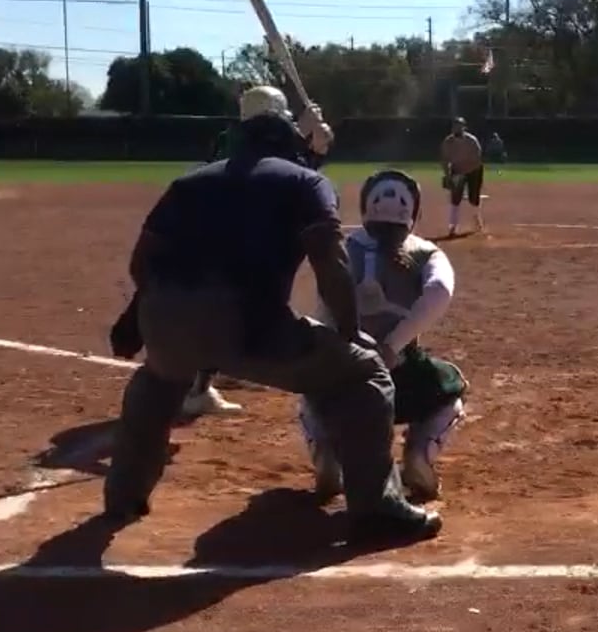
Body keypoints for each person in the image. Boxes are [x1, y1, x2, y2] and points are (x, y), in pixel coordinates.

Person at [101, 96, 440, 541]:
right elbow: (331, 263)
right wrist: (349, 330)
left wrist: (143, 315)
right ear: (292, 145)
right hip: (248, 324)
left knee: (157, 383)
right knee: (365, 373)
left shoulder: (189, 182)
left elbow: (142, 261)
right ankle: (377, 507)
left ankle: (123, 496)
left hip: (166, 316)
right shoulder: (306, 182)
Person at [114, 85, 335, 420]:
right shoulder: (236, 146)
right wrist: (310, 141)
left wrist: (314, 147)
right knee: (231, 299)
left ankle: (199, 385)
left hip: (202, 262)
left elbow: (288, 175)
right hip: (214, 264)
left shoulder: (237, 141)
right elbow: (279, 178)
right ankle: (195, 384)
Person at [299, 170, 465, 502]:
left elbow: (323, 308)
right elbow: (439, 291)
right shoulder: (426, 251)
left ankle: (327, 454)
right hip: (402, 380)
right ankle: (419, 453)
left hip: (345, 379)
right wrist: (392, 345)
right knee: (451, 388)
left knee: (310, 392)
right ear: (412, 211)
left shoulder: (341, 248)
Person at [440, 117, 486, 237]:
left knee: (473, 197)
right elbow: (445, 160)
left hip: (474, 170)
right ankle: (453, 226)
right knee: (455, 198)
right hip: (457, 170)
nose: (457, 128)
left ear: (464, 127)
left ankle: (476, 219)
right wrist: (448, 175)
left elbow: (477, 159)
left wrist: (464, 173)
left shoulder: (471, 140)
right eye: (455, 126)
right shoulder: (448, 142)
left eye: (460, 126)